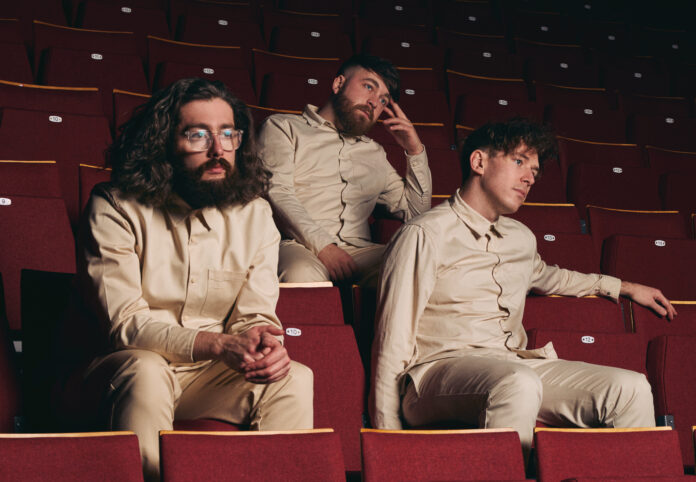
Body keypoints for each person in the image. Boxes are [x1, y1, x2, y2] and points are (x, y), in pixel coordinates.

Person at [369, 117, 676, 458]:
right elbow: (391, 339)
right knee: (518, 381)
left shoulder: (521, 238)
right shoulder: (425, 234)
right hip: (434, 376)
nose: (530, 178)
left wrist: (623, 287)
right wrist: (387, 441)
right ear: (479, 162)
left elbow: (554, 277)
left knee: (631, 388)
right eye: (519, 161)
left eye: (535, 170)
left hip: (511, 366)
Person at [72, 78, 313, 481]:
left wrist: (264, 343)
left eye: (228, 134)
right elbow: (125, 326)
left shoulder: (255, 214)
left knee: (292, 377)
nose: (218, 150)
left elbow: (254, 315)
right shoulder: (114, 205)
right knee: (146, 370)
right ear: (164, 142)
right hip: (118, 371)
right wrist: (218, 344)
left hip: (204, 377)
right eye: (198, 135)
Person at [258, 54, 432, 284]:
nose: (374, 102)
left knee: (419, 266)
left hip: (360, 251)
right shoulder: (283, 127)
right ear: (338, 83)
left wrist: (415, 150)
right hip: (299, 245)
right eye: (368, 87)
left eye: (383, 100)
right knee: (301, 274)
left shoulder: (375, 152)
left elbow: (416, 215)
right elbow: (277, 193)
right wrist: (324, 246)